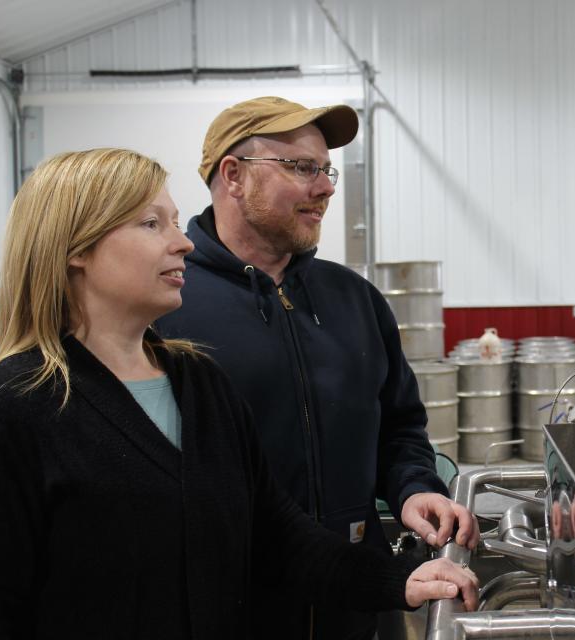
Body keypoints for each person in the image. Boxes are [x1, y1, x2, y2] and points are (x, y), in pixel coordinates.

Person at [0, 148, 478, 640]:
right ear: (76, 247)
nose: (182, 243)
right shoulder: (16, 405)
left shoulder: (199, 382)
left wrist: (400, 581)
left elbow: (276, 535)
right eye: (151, 224)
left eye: (177, 222)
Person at [154, 96, 480, 638]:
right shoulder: (169, 305)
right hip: (233, 609)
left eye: (325, 169)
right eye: (302, 168)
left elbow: (400, 425)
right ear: (233, 176)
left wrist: (412, 487)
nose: (327, 186)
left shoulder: (356, 299)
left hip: (361, 602)